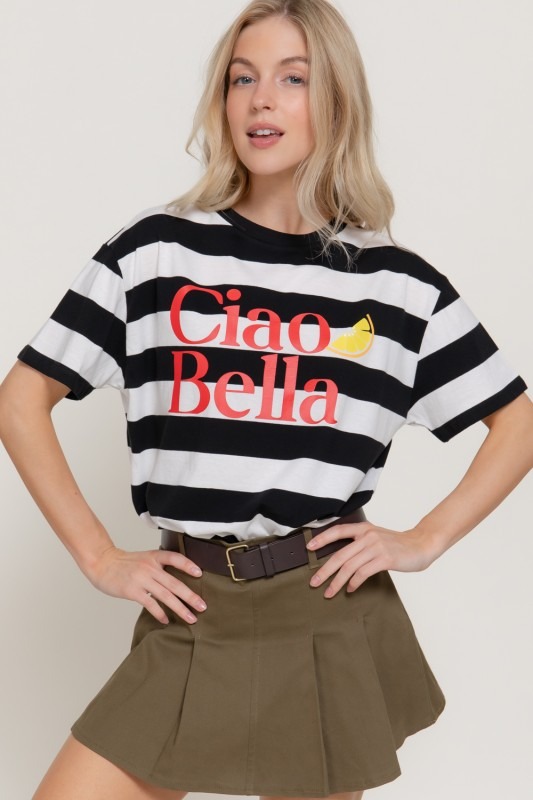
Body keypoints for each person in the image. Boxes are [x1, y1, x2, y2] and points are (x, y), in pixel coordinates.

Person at [0, 0, 531, 798]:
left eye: (292, 79)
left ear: (336, 99)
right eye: (241, 79)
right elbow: (21, 399)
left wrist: (424, 539)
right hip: (190, 609)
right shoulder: (156, 253)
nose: (261, 100)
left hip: (323, 611)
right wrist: (100, 557)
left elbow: (516, 422)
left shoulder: (395, 285)